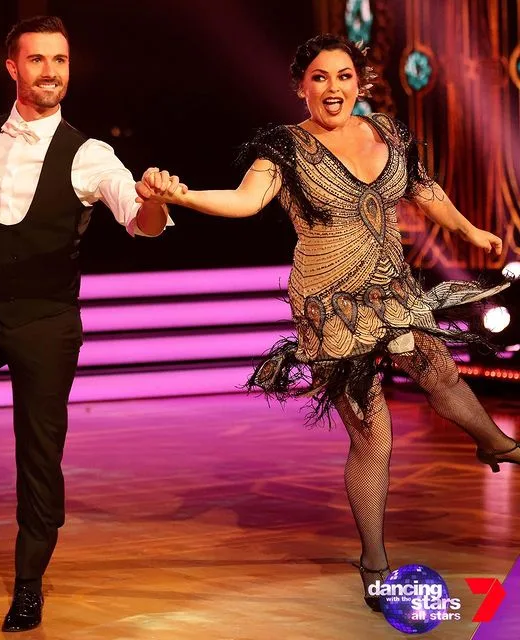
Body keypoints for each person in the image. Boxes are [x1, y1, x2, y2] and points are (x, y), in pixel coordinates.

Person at [137, 34, 520, 612]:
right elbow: (245, 202)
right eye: (319, 77)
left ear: (359, 83)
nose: (333, 88)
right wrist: (181, 196)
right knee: (373, 434)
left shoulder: (386, 132)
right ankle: (374, 560)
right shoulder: (285, 148)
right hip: (328, 303)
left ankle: (495, 443)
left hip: (389, 287)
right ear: (301, 87)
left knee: (439, 371)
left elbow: (423, 189)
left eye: (343, 76)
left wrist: (467, 229)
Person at [0, 15, 180, 632]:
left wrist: (153, 201)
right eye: (38, 59)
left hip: (47, 322)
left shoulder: (89, 154)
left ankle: (27, 586)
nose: (51, 71)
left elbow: (141, 223)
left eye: (60, 60)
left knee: (39, 456)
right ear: (12, 67)